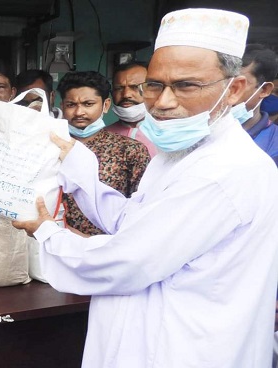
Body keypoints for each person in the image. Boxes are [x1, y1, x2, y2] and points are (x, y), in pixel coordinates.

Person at [14, 8, 278, 367]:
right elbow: (134, 223)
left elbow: (128, 261)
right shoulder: (180, 152)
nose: (163, 102)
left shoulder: (226, 169)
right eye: (154, 85)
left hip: (185, 347)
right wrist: (79, 166)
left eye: (186, 85)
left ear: (234, 89)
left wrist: (49, 235)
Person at [57, 70, 150, 235]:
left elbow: (142, 210)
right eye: (71, 105)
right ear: (62, 106)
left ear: (105, 105)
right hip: (52, 245)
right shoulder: (51, 147)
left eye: (88, 104)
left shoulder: (130, 150)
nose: (79, 112)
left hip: (106, 250)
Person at [230, 44, 278, 166]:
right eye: (223, 82)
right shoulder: (196, 131)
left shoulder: (274, 145)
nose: (225, 92)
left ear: (265, 90)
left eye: (240, 83)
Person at [105, 62, 158, 157]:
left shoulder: (169, 135)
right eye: (119, 88)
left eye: (135, 87)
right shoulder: (102, 137)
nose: (126, 94)